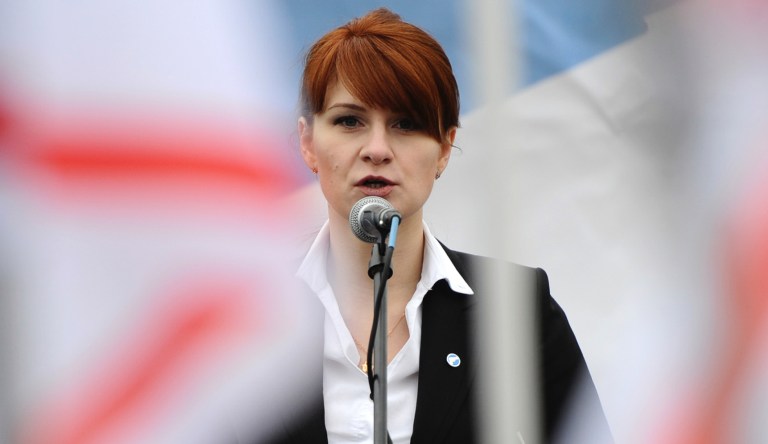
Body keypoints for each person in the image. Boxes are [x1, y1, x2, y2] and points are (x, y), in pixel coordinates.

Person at [263, 7, 609, 444]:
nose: (377, 149)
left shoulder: (513, 308)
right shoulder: (253, 312)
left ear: (445, 148)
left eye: (406, 124)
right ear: (308, 143)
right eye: (350, 121)